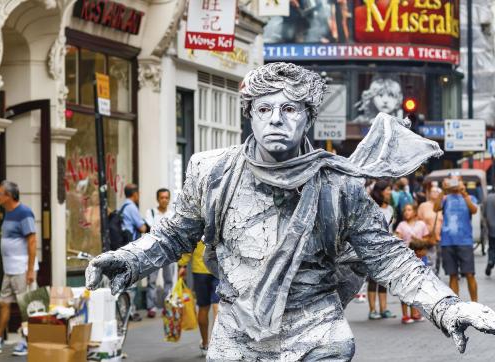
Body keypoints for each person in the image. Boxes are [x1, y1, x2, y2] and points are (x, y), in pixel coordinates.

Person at [86, 63, 495, 361]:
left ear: (308, 117)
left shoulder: (338, 183)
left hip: (318, 334)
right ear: (249, 116)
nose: (275, 121)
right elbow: (172, 235)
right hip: (237, 337)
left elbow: (387, 256)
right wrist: (129, 259)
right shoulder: (211, 172)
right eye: (263, 110)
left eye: (290, 109)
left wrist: (446, 305)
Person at [0, 181, 38, 356]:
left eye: (0, 194)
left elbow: (32, 241)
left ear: (9, 196)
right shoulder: (7, 213)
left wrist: (30, 270)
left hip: (22, 269)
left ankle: (25, 341)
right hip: (9, 269)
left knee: (25, 307)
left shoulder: (24, 213)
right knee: (3, 303)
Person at [434, 175, 478, 302]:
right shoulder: (446, 198)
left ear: (461, 182)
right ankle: (455, 306)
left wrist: (464, 193)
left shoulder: (470, 197)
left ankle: (475, 303)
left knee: (470, 274)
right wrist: (443, 191)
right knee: (452, 275)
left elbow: (474, 210)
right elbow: (435, 208)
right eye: (452, 180)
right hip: (447, 242)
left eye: (457, 180)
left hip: (465, 241)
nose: (455, 183)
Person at [178, 240, 219, 356]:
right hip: (219, 265)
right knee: (218, 305)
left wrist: (183, 264)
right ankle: (217, 343)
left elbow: (190, 242)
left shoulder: (199, 220)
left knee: (203, 307)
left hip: (200, 267)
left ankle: (205, 344)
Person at [395, 203, 431, 324]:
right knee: (405, 287)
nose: (406, 212)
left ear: (415, 212)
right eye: (405, 210)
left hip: (420, 257)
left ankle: (415, 313)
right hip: (406, 259)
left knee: (417, 287)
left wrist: (419, 240)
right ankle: (405, 315)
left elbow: (427, 239)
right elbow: (397, 239)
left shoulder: (421, 224)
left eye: (409, 210)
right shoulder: (401, 225)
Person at [144, 188, 176, 318]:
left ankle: (166, 306)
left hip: (169, 252)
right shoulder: (150, 213)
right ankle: (151, 307)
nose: (164, 200)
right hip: (153, 252)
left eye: (166, 197)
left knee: (168, 280)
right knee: (152, 281)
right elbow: (152, 229)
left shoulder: (173, 214)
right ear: (158, 199)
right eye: (162, 197)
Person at [367, 180, 395, 320]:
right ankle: (372, 310)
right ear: (380, 191)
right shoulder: (372, 207)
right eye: (388, 190)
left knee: (384, 280)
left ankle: (384, 308)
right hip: (373, 248)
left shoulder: (390, 209)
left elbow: (391, 229)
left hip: (387, 248)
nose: (389, 192)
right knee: (373, 280)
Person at [121, 183, 147, 321]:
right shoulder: (131, 207)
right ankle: (129, 312)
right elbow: (142, 228)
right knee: (131, 281)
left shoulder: (122, 206)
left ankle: (125, 310)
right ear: (134, 194)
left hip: (122, 248)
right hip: (131, 248)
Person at [418, 182, 443, 273]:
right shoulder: (423, 206)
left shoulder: (442, 206)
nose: (435, 193)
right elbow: (419, 220)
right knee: (427, 259)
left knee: (438, 259)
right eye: (432, 191)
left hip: (439, 238)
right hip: (426, 238)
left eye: (437, 191)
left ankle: (436, 275)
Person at [485, 190, 495, 276]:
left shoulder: (489, 197)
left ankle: (491, 260)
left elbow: (485, 213)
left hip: (492, 228)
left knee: (492, 247)